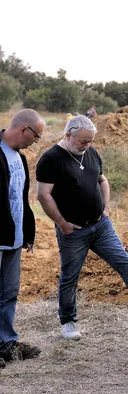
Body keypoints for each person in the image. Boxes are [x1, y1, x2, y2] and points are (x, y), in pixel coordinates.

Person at [36, 115, 128, 340]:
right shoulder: (51, 159)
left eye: (90, 141)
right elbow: (43, 194)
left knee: (124, 261)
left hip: (101, 225)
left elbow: (102, 180)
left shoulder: (91, 153)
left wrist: (106, 207)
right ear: (68, 135)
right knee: (70, 277)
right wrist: (62, 224)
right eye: (82, 141)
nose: (87, 146)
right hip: (73, 231)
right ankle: (68, 322)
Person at [0, 109, 45, 367]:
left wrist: (27, 232)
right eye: (36, 137)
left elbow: (21, 198)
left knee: (9, 293)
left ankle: (6, 344)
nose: (36, 142)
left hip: (13, 238)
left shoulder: (20, 158)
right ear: (23, 130)